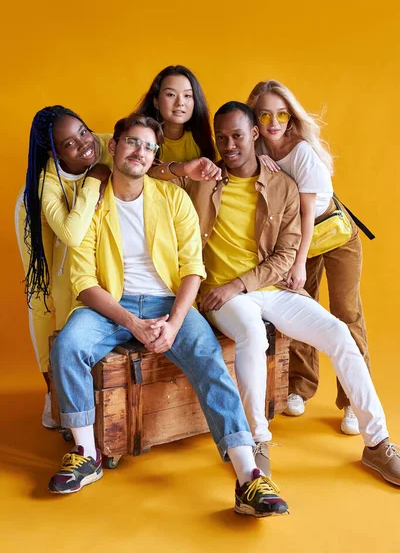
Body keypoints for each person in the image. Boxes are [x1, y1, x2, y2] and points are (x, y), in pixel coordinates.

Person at [48, 112, 289, 518]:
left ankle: (248, 477)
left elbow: (192, 268)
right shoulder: (92, 205)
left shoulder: (172, 197)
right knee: (68, 344)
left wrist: (174, 323)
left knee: (209, 358)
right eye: (131, 142)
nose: (139, 152)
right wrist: (133, 324)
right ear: (115, 146)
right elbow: (83, 282)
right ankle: (85, 453)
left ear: (154, 154)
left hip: (169, 303)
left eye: (148, 146)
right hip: (111, 304)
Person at [160, 101, 400, 487]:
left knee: (339, 333)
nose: (228, 145)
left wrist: (239, 283)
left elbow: (286, 254)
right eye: (221, 138)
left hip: (261, 288)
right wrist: (181, 168)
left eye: (237, 135)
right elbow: (142, 174)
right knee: (252, 334)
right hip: (223, 298)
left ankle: (378, 443)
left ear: (254, 134)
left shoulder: (282, 185)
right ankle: (257, 440)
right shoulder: (203, 178)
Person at [247, 80, 369, 435]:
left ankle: (352, 402)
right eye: (265, 114)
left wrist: (297, 264)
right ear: (254, 118)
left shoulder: (301, 152)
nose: (274, 122)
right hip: (299, 240)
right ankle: (300, 387)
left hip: (332, 235)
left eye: (282, 114)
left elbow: (305, 213)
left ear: (291, 116)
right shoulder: (255, 148)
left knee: (346, 312)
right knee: (304, 308)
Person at [15, 106, 112, 428]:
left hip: (84, 227)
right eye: (69, 144)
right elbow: (71, 233)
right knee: (46, 300)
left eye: (83, 131)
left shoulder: (106, 144)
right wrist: (95, 179)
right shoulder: (46, 183)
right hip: (42, 224)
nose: (84, 144)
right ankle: (51, 393)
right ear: (54, 153)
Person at [135, 65, 216, 163]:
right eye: (171, 94)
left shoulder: (205, 142)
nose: (180, 102)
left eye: (187, 95)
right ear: (156, 101)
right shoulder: (138, 138)